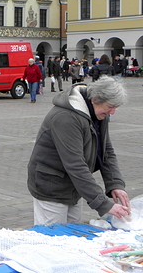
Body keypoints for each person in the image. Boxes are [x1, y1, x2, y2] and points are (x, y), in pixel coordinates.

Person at [27, 76, 130, 225]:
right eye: (110, 106)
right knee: (52, 240)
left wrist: (115, 185)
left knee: (73, 237)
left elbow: (106, 151)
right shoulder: (66, 117)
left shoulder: (99, 113)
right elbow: (75, 164)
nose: (112, 112)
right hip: (51, 187)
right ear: (95, 99)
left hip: (74, 186)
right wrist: (104, 204)